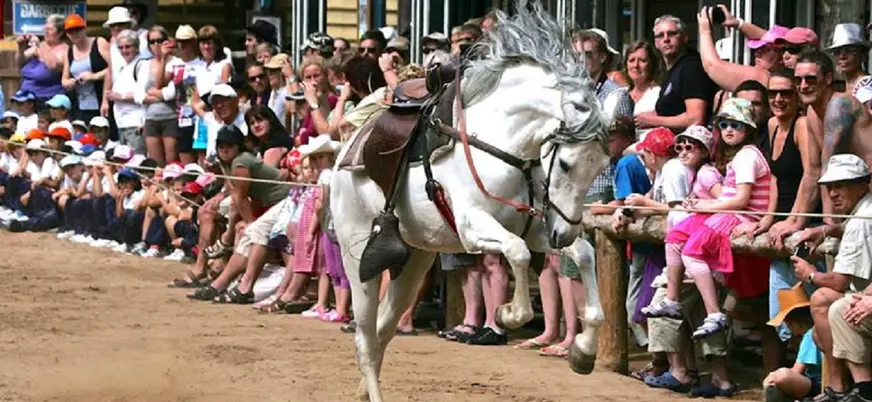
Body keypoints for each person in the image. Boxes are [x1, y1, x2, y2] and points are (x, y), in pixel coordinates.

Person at [644, 98, 772, 338]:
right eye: (724, 124)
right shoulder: (739, 157)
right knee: (674, 237)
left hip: (739, 216)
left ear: (749, 129)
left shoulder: (746, 157)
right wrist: (703, 205)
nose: (729, 130)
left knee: (692, 251)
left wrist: (706, 204)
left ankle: (714, 313)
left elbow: (741, 200)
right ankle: (672, 299)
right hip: (729, 212)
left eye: (736, 124)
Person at [792, 154, 872, 401]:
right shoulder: (865, 208)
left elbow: (838, 282)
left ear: (862, 184)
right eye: (829, 188)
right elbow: (850, 227)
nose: (833, 193)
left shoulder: (862, 218)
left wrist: (810, 274)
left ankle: (852, 389)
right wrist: (825, 229)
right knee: (823, 315)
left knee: (828, 301)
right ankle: (840, 388)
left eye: (841, 185)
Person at [636, 14, 716, 132]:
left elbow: (696, 119)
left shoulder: (691, 67)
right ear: (656, 43)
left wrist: (652, 121)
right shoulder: (672, 70)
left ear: (685, 37)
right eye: (660, 35)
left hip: (687, 145)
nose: (666, 39)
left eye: (672, 33)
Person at [698, 6, 786, 91]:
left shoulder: (764, 77)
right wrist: (737, 23)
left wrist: (705, 32)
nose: (757, 54)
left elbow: (712, 66)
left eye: (766, 50)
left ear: (783, 56)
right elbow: (771, 39)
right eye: (758, 48)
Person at [106, 29, 149, 155]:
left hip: (136, 123)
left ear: (136, 47)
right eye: (121, 48)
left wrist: (120, 96)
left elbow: (144, 94)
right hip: (122, 124)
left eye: (128, 47)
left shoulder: (141, 65)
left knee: (137, 161)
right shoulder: (123, 67)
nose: (124, 51)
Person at [61, 14, 110, 122]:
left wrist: (94, 76)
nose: (74, 33)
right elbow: (64, 79)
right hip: (79, 105)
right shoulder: (69, 51)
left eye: (77, 29)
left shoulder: (99, 43)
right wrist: (69, 82)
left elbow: (115, 67)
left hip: (102, 101)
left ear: (84, 28)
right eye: (70, 31)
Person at [15, 14, 67, 102]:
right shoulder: (39, 46)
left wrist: (40, 46)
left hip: (47, 98)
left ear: (60, 33)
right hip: (25, 97)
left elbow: (54, 65)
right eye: (45, 29)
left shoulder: (64, 49)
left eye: (50, 29)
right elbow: (20, 63)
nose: (46, 32)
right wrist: (20, 47)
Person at [623, 40, 663, 144]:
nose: (636, 65)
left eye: (642, 60)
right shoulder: (620, 94)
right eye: (631, 60)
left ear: (651, 65)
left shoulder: (659, 94)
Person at [828, 23, 870, 94]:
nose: (842, 56)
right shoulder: (846, 86)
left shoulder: (866, 86)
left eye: (850, 50)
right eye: (837, 52)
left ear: (863, 54)